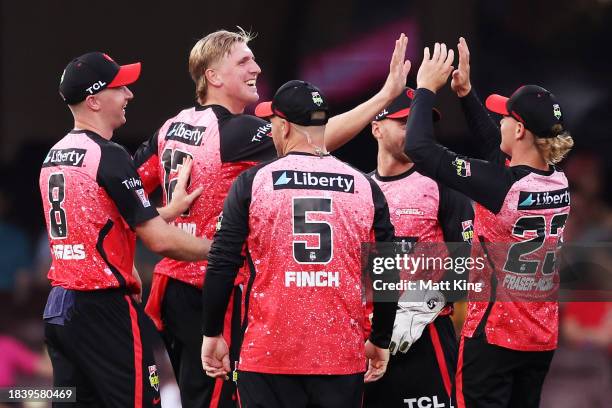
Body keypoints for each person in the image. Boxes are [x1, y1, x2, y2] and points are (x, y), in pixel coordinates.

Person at [134, 28, 411, 408]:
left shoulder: (169, 127)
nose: (256, 67)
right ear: (213, 76)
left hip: (170, 288)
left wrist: (165, 215)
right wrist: (382, 97)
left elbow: (126, 192)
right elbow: (314, 139)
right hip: (214, 292)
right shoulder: (237, 130)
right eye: (244, 61)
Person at [200, 80, 399, 408]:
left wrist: (211, 332)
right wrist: (381, 339)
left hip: (267, 356)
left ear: (282, 126)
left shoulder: (254, 182)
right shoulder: (365, 186)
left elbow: (222, 261)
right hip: (340, 357)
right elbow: (387, 270)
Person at [403, 39, 573, 408]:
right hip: (538, 339)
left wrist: (427, 90)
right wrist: (466, 94)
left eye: (506, 117)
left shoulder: (502, 187)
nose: (499, 120)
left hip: (493, 338)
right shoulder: (558, 180)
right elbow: (495, 155)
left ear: (520, 131)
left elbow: (418, 148)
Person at [41, 52, 211, 407]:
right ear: (94, 100)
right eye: (120, 88)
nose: (129, 95)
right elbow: (159, 240)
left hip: (60, 308)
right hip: (103, 308)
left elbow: (99, 223)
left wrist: (166, 210)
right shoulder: (110, 155)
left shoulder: (55, 154)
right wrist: (224, 246)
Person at [363, 88, 474, 407]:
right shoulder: (358, 188)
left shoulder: (443, 186)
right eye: (405, 122)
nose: (416, 131)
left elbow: (470, 262)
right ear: (377, 127)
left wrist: (425, 302)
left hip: (427, 334)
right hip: (367, 335)